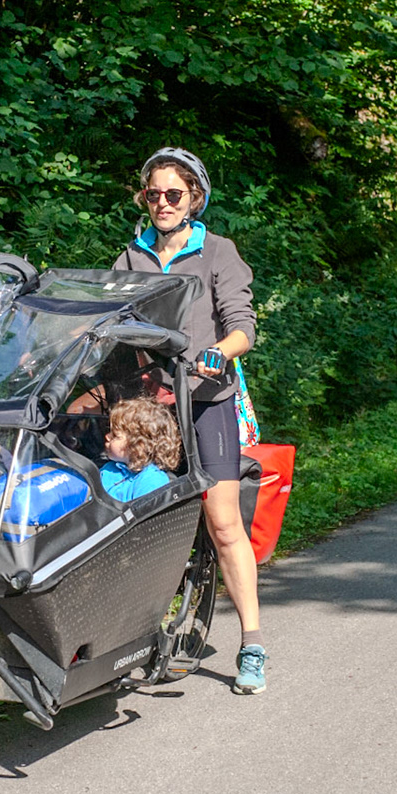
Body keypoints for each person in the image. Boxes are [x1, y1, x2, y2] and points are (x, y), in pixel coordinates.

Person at [111, 147, 269, 694]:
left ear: (194, 197)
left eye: (172, 194)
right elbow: (109, 318)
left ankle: (251, 643)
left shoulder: (217, 252)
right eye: (153, 194)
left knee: (223, 523)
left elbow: (244, 326)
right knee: (128, 513)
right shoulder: (132, 257)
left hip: (206, 397)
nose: (161, 202)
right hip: (151, 405)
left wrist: (221, 351)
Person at [100, 396, 179, 502]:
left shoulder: (151, 481)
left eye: (115, 435)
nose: (107, 436)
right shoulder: (109, 469)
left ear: (138, 446)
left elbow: (145, 517)